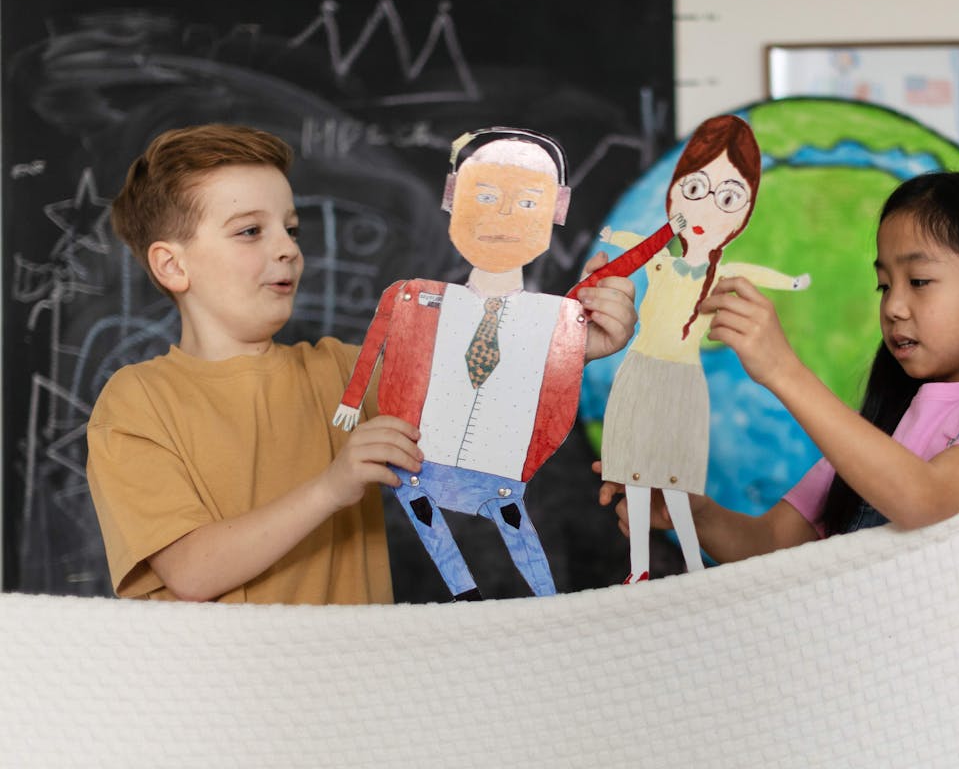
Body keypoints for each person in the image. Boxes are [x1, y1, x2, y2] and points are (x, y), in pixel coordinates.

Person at [85, 123, 635, 604]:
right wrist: (331, 487)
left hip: (354, 693)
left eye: (291, 229)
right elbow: (190, 571)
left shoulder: (343, 372)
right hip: (226, 708)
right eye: (251, 231)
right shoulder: (137, 402)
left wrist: (570, 352)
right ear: (172, 266)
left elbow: (472, 404)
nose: (287, 249)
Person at [599, 169, 959, 564]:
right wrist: (692, 510)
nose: (894, 306)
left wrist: (783, 370)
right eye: (884, 285)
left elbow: (928, 500)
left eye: (919, 281)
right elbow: (771, 545)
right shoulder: (884, 423)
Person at [333, 127, 639, 600]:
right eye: (486, 195)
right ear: (452, 197)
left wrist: (574, 344)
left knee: (515, 528)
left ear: (557, 209)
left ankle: (544, 602)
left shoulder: (554, 318)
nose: (503, 216)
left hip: (501, 471)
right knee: (417, 502)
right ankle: (464, 590)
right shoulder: (419, 299)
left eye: (528, 203)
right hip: (424, 466)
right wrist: (355, 400)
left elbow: (549, 393)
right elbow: (381, 353)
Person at [598, 115, 809, 582]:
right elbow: (637, 247)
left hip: (682, 383)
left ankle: (694, 566)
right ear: (674, 194)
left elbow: (757, 274)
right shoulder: (660, 263)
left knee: (676, 480)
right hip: (640, 373)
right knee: (634, 477)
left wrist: (793, 282)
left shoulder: (721, 274)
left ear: (745, 210)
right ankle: (640, 569)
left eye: (728, 198)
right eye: (695, 190)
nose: (708, 210)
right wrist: (613, 241)